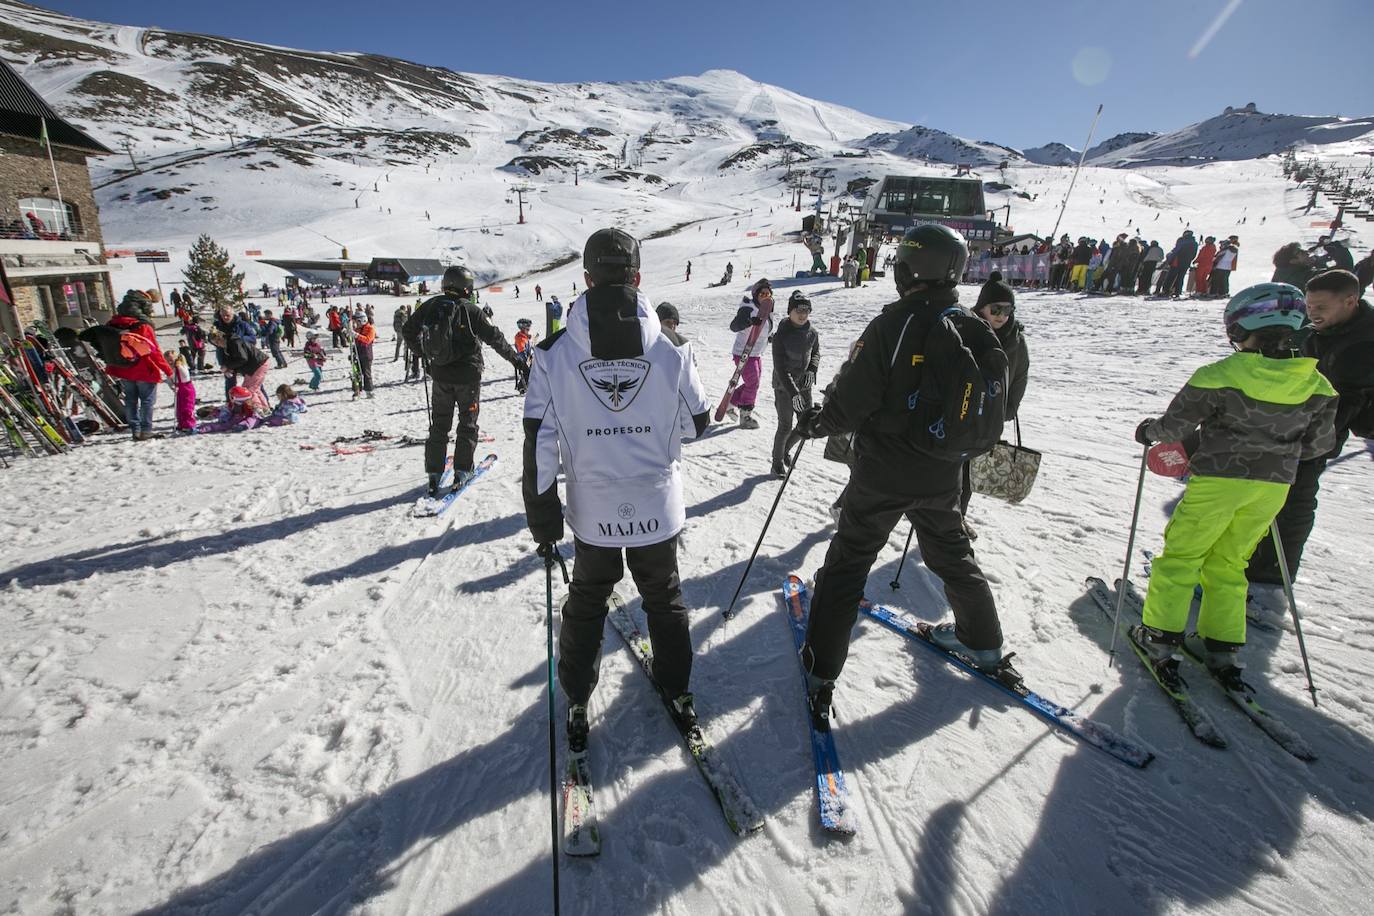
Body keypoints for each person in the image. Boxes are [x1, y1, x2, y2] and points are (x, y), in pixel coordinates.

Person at [789, 224, 1009, 729]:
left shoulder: (895, 323)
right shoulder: (967, 323)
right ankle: (984, 640)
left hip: (885, 471)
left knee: (848, 563)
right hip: (942, 470)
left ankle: (822, 668)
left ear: (912, 269)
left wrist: (816, 423)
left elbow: (851, 400)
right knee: (950, 552)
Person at [521, 227, 709, 752]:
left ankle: (578, 696)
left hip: (593, 507)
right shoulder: (671, 347)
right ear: (638, 277)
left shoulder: (553, 353)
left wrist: (544, 520)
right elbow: (698, 421)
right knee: (664, 598)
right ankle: (678, 690)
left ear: (586, 278)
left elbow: (539, 443)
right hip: (656, 500)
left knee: (587, 602)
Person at [1133, 283, 1336, 691]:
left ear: (1243, 331)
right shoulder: (1318, 385)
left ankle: (1160, 638)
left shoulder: (1220, 375)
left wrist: (1149, 431)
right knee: (1230, 561)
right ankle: (1221, 644)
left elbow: (1175, 427)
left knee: (1182, 557)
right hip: (1272, 487)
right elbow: (1318, 446)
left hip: (1220, 481)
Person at [1247, 269, 1374, 588]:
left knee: (1297, 489)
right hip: (1317, 411)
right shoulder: (1325, 328)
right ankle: (1259, 555)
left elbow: (1345, 406)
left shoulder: (1363, 344)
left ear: (1350, 301)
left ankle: (1274, 569)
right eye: (1309, 305)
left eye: (1320, 307)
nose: (1312, 312)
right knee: (1277, 488)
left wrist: (1305, 443)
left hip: (1344, 417)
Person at [404, 265, 524, 496]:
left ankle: (434, 472)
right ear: (466, 288)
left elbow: (409, 330)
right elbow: (495, 338)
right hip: (468, 378)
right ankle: (462, 470)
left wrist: (425, 355)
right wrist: (517, 362)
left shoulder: (431, 305)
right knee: (467, 424)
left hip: (440, 376)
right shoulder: (472, 310)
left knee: (439, 425)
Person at [962, 273, 1030, 533]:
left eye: (1007, 309)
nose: (1002, 315)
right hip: (964, 410)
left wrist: (1010, 407)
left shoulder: (1015, 339)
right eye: (996, 309)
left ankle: (958, 515)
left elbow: (1021, 373)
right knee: (953, 467)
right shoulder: (969, 329)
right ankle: (941, 516)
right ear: (982, 307)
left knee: (972, 469)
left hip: (990, 416)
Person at [104, 291, 172, 441]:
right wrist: (168, 370)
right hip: (144, 369)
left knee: (130, 400)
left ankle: (135, 430)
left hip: (123, 368)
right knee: (147, 401)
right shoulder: (142, 326)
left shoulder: (113, 323)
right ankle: (146, 430)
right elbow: (154, 352)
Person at [771, 290, 820, 476]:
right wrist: (793, 393)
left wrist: (812, 370)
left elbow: (815, 353)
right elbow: (780, 368)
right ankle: (776, 462)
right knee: (785, 426)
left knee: (805, 425)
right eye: (798, 310)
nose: (802, 315)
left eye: (806, 311)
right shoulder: (781, 335)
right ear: (789, 311)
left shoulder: (812, 333)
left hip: (804, 386)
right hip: (784, 387)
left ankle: (784, 451)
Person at [727, 279, 775, 429]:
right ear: (755, 295)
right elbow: (734, 326)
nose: (765, 296)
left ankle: (732, 402)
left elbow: (764, 330)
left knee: (752, 384)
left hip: (756, 353)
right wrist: (748, 321)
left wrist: (771, 338)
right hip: (744, 352)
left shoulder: (767, 309)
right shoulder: (748, 308)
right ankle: (745, 415)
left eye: (768, 293)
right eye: (762, 293)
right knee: (753, 383)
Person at [209, 326, 271, 414]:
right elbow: (236, 360)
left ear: (222, 337)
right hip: (254, 365)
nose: (218, 344)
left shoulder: (234, 342)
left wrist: (228, 366)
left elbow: (242, 358)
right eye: (215, 343)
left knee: (248, 389)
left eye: (218, 341)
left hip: (257, 364)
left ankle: (258, 409)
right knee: (254, 388)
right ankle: (265, 408)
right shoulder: (228, 346)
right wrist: (229, 369)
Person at [165, 349, 197, 435]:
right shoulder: (169, 369)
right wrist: (172, 387)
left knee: (187, 408)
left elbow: (185, 375)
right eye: (168, 360)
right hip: (179, 389)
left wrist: (179, 367)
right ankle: (182, 424)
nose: (170, 362)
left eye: (171, 360)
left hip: (187, 388)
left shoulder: (182, 366)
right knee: (179, 408)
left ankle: (190, 425)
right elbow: (169, 380)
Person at [351, 317, 376, 398]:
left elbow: (368, 339)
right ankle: (357, 391)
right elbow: (353, 340)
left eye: (357, 321)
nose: (356, 324)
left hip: (366, 354)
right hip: (357, 353)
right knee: (356, 373)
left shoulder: (370, 329)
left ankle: (369, 391)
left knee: (366, 373)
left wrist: (357, 335)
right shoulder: (357, 329)